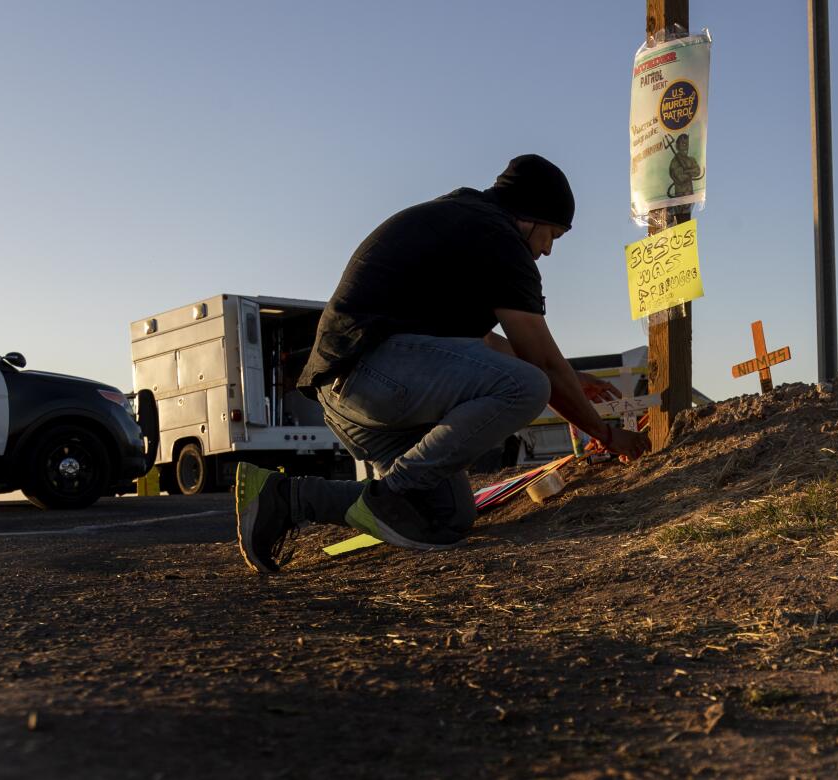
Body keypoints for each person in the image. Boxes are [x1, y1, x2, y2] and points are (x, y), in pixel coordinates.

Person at [235, 154, 651, 573]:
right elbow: (537, 360)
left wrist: (573, 380)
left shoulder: (464, 225)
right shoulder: (499, 237)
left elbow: (485, 343)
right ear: (531, 216)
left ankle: (283, 497)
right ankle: (392, 494)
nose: (547, 250)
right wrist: (604, 433)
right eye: (553, 235)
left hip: (354, 393)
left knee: (446, 517)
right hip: (372, 374)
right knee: (527, 386)